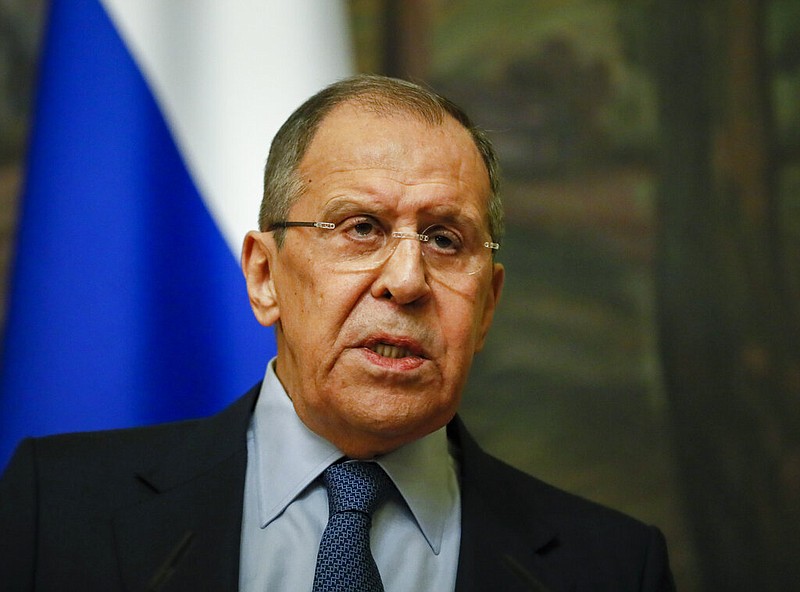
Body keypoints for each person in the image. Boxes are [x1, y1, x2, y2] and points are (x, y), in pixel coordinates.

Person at [0, 74, 674, 591]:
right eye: (361, 228)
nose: (407, 281)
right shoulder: (56, 510)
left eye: (444, 239)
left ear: (488, 304)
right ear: (265, 276)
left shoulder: (614, 567)